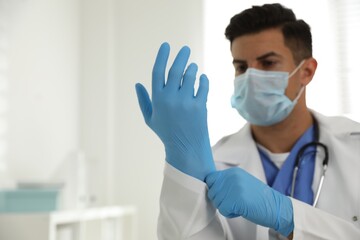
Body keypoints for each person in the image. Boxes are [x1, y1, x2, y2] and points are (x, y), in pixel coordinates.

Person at [135, 3, 360, 240]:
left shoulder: (355, 148)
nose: (250, 78)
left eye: (268, 63)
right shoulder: (213, 162)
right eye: (241, 67)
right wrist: (182, 168)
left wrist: (287, 216)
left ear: (306, 71)